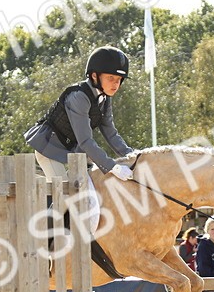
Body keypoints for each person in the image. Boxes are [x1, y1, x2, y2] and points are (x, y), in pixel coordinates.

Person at [24, 46, 137, 231]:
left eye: (118, 80)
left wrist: (133, 156)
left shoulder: (104, 98)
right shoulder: (78, 97)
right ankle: (41, 238)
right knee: (67, 193)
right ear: (94, 76)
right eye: (110, 78)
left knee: (92, 189)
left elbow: (111, 133)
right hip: (50, 149)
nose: (115, 84)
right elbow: (85, 141)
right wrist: (113, 167)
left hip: (72, 153)